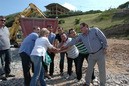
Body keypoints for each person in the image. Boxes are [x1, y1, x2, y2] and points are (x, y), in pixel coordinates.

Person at [0, 16, 15, 80]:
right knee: (1, 63)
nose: (3, 21)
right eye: (2, 20)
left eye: (4, 20)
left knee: (8, 61)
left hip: (8, 48)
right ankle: (1, 75)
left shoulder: (6, 28)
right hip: (1, 49)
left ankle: (7, 73)